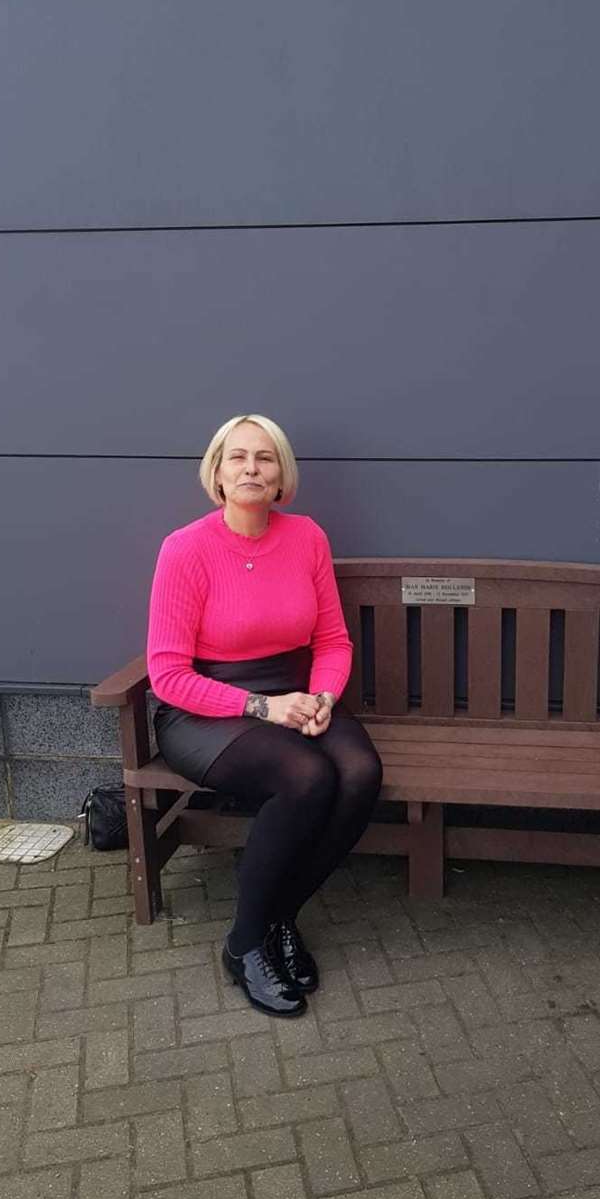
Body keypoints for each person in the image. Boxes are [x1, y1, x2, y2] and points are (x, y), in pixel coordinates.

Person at [146, 414, 383, 1017]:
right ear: (218, 473)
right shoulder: (185, 549)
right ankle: (245, 943)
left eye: (266, 458)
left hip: (296, 691)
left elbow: (333, 640)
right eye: (238, 457)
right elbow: (169, 676)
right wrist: (262, 707)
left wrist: (325, 697)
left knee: (359, 772)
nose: (252, 467)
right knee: (306, 777)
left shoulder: (307, 537)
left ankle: (281, 917)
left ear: (282, 476)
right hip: (205, 707)